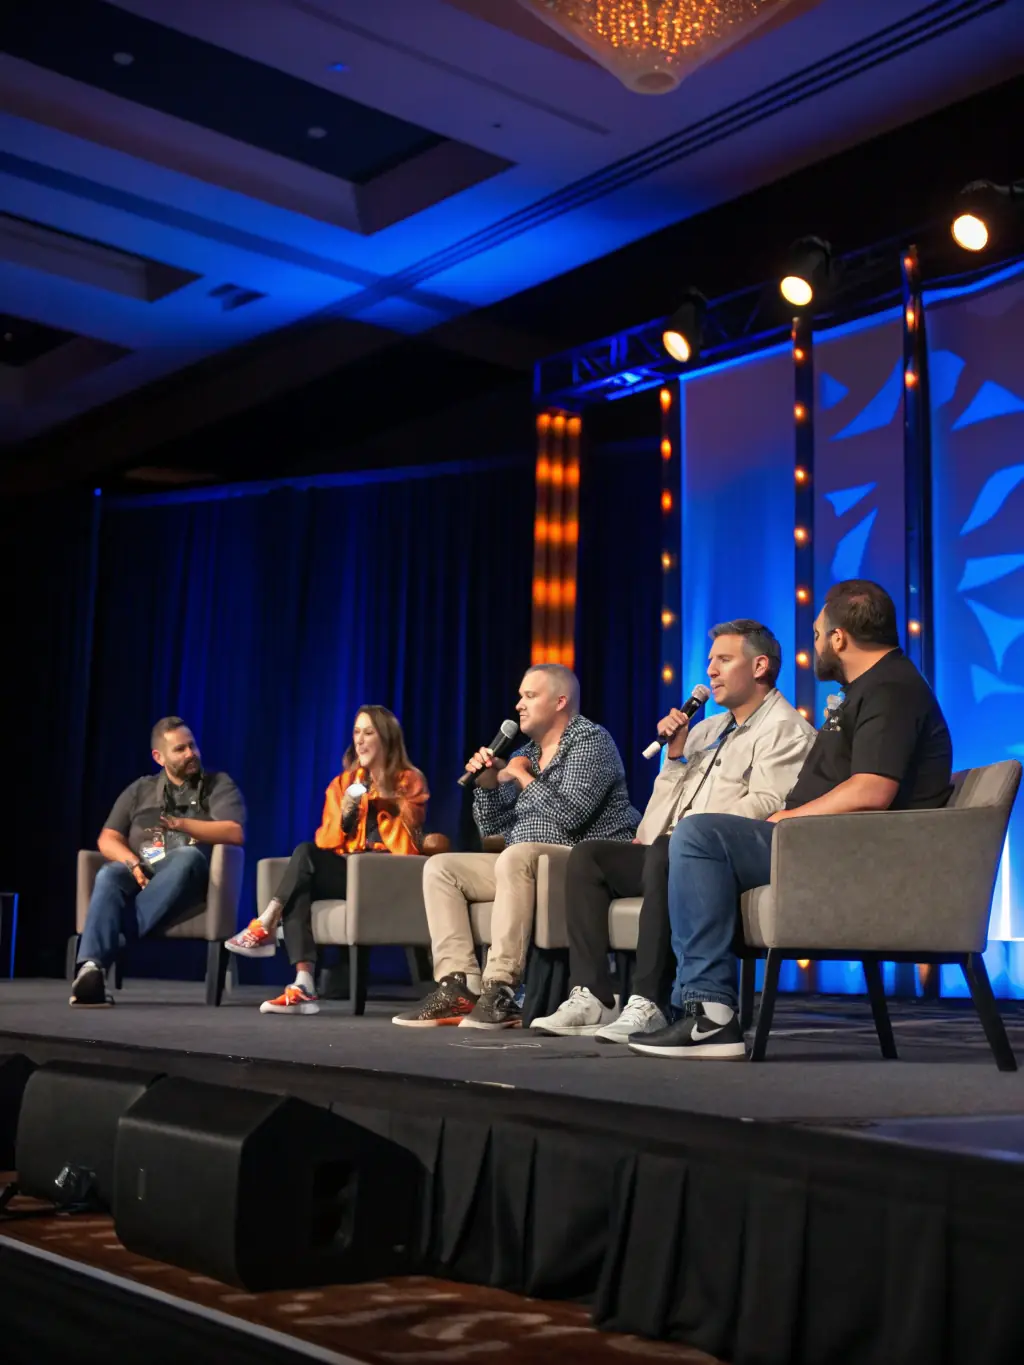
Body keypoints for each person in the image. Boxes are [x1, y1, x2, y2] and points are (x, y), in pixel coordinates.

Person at [630, 580, 954, 1061]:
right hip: (824, 842)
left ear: (841, 638)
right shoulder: (868, 688)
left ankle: (713, 1015)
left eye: (820, 635)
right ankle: (693, 1006)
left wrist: (790, 815)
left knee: (698, 834)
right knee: (686, 841)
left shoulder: (892, 688)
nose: (816, 645)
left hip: (851, 852)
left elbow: (872, 789)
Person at [532, 621, 815, 1041]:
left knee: (669, 850)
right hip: (671, 846)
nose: (711, 671)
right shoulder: (706, 729)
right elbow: (663, 807)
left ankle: (650, 1001)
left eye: (723, 660)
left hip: (722, 857)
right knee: (590, 856)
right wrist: (677, 757)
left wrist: (681, 837)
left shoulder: (787, 730)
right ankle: (595, 995)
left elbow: (766, 805)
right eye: (709, 662)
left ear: (759, 666)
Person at [393, 663, 639, 1031]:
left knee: (517, 855)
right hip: (523, 864)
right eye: (520, 696)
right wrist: (489, 784)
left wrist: (522, 775)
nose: (519, 704)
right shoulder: (528, 751)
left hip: (583, 862)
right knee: (442, 868)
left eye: (529, 695)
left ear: (560, 701)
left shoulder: (590, 740)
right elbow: (493, 831)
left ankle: (502, 988)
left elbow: (571, 815)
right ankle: (458, 985)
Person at [226, 706, 428, 1015]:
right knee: (303, 864)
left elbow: (407, 845)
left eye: (369, 733)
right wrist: (348, 813)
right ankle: (303, 982)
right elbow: (326, 841)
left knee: (303, 861)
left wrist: (384, 797)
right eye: (356, 733)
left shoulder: (409, 780)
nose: (360, 741)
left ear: (387, 739)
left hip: (386, 876)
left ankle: (265, 923)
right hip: (348, 870)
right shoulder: (342, 783)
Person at [70, 717, 246, 1007]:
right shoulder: (140, 789)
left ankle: (109, 943)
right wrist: (131, 863)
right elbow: (108, 838)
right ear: (159, 757)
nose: (191, 753)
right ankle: (91, 970)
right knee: (109, 874)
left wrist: (182, 824)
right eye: (180, 749)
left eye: (192, 746)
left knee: (188, 855)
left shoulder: (217, 784)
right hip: (144, 871)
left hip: (190, 877)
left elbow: (234, 831)